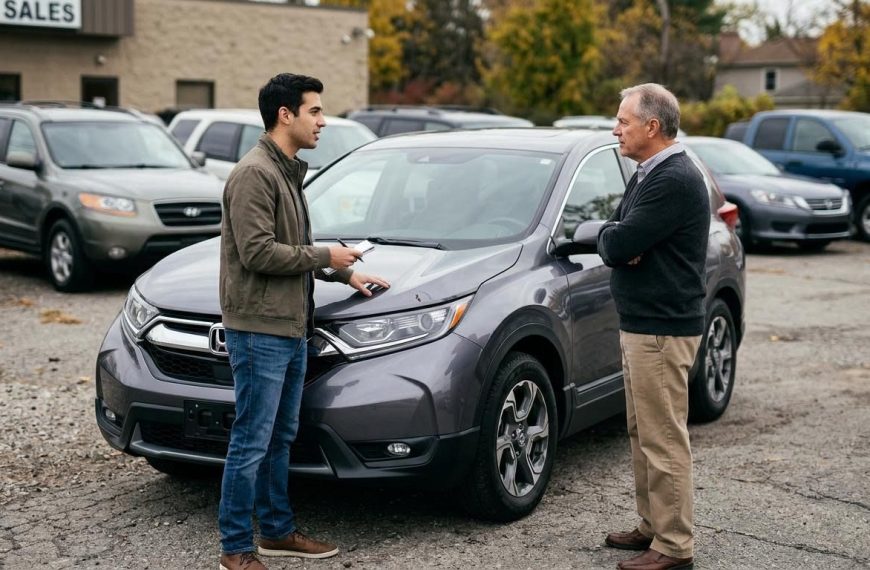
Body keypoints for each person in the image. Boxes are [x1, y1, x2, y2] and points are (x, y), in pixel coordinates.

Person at [218, 73, 390, 570]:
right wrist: (327, 252)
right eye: (314, 110)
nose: (323, 120)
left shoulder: (287, 172)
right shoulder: (255, 174)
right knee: (251, 439)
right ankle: (235, 549)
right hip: (260, 330)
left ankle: (276, 532)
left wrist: (344, 272)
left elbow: (290, 250)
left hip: (291, 327)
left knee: (278, 437)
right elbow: (256, 253)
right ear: (285, 115)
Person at [597, 83, 709, 570]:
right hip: (644, 324)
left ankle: (673, 546)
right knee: (642, 434)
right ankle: (652, 526)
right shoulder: (649, 172)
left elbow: (620, 242)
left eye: (623, 121)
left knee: (663, 440)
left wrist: (619, 243)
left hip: (662, 329)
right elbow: (618, 231)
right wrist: (618, 240)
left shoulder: (674, 178)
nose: (615, 128)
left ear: (652, 126)